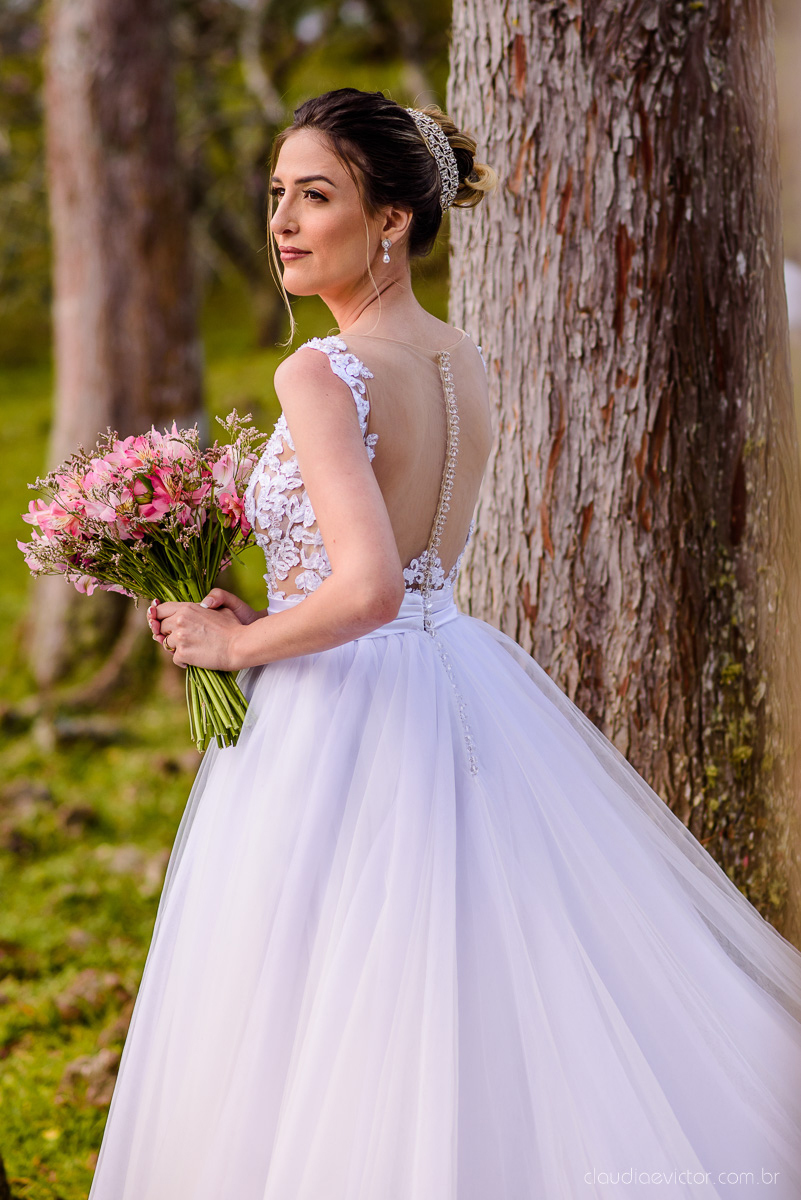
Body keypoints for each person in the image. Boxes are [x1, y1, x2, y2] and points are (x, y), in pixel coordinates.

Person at [88, 88, 801, 1199]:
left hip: (343, 710)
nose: (281, 219)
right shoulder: (460, 358)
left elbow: (366, 589)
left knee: (319, 997)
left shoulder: (318, 371)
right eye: (276, 193)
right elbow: (396, 571)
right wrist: (255, 611)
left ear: (392, 223)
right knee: (472, 971)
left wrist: (237, 648)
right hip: (457, 680)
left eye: (315, 196)